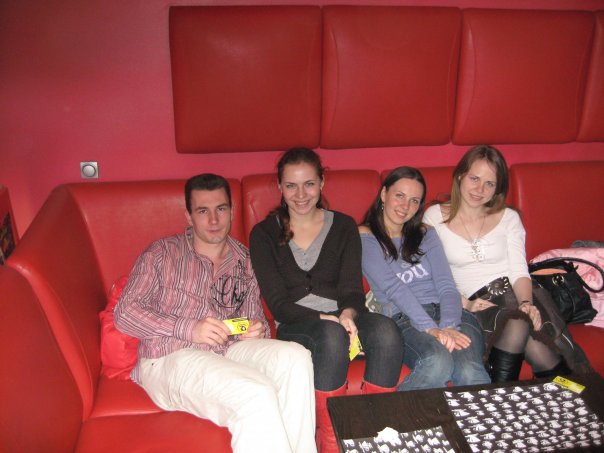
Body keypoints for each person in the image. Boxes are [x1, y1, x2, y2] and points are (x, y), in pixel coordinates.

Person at [114, 173, 316, 453]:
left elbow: (253, 317)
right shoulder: (161, 253)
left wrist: (256, 329)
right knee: (255, 392)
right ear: (189, 216)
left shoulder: (245, 260)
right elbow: (125, 313)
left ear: (231, 211)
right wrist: (190, 328)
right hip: (170, 356)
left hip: (228, 351)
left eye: (220, 209)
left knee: (296, 357)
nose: (213, 220)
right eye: (202, 211)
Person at [249, 147, 403, 453]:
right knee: (332, 335)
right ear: (280, 186)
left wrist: (348, 315)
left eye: (309, 184)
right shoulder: (263, 234)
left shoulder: (344, 226)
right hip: (297, 325)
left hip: (340, 317)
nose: (300, 195)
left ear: (322, 182)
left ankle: (373, 434)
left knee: (387, 331)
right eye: (291, 185)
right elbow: (279, 305)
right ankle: (331, 442)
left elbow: (352, 290)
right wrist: (327, 320)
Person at [423, 145, 590, 382]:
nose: (480, 189)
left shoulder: (509, 218)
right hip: (476, 304)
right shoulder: (434, 217)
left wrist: (527, 304)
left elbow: (519, 270)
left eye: (489, 184)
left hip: (518, 295)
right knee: (521, 330)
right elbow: (430, 273)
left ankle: (512, 396)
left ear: (497, 189)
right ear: (460, 176)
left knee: (522, 323)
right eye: (474, 179)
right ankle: (568, 393)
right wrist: (465, 303)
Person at [360, 166, 490, 391]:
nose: (405, 206)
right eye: (399, 196)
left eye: (414, 201)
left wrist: (449, 325)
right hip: (405, 318)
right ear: (384, 194)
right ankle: (388, 412)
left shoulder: (425, 233)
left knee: (470, 370)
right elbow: (393, 288)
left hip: (452, 314)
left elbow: (446, 284)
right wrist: (431, 328)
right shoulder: (365, 235)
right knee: (437, 362)